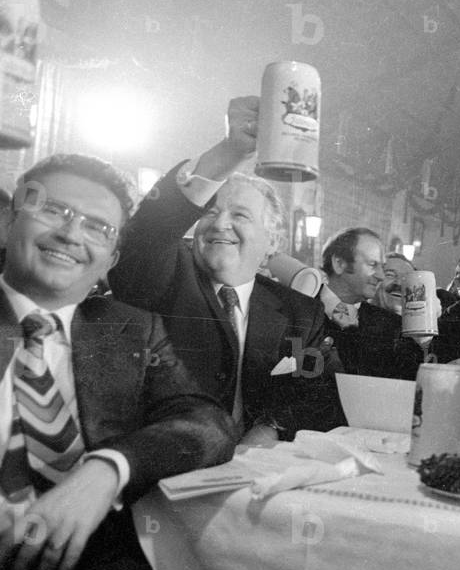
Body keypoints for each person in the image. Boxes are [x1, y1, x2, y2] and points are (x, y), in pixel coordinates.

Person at [0, 155, 234, 570]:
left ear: (113, 260)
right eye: (53, 211)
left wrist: (107, 469)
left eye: (97, 228)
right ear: (9, 222)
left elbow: (207, 423)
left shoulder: (131, 330)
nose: (71, 235)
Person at [108, 96, 343, 443]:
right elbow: (149, 233)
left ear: (273, 240)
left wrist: (267, 431)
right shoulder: (165, 276)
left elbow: (314, 390)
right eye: (209, 212)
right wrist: (232, 152)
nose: (220, 224)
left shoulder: (300, 313)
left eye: (240, 216)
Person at [319, 229, 421, 380]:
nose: (380, 276)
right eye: (372, 264)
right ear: (339, 263)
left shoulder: (392, 325)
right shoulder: (294, 310)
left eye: (382, 267)